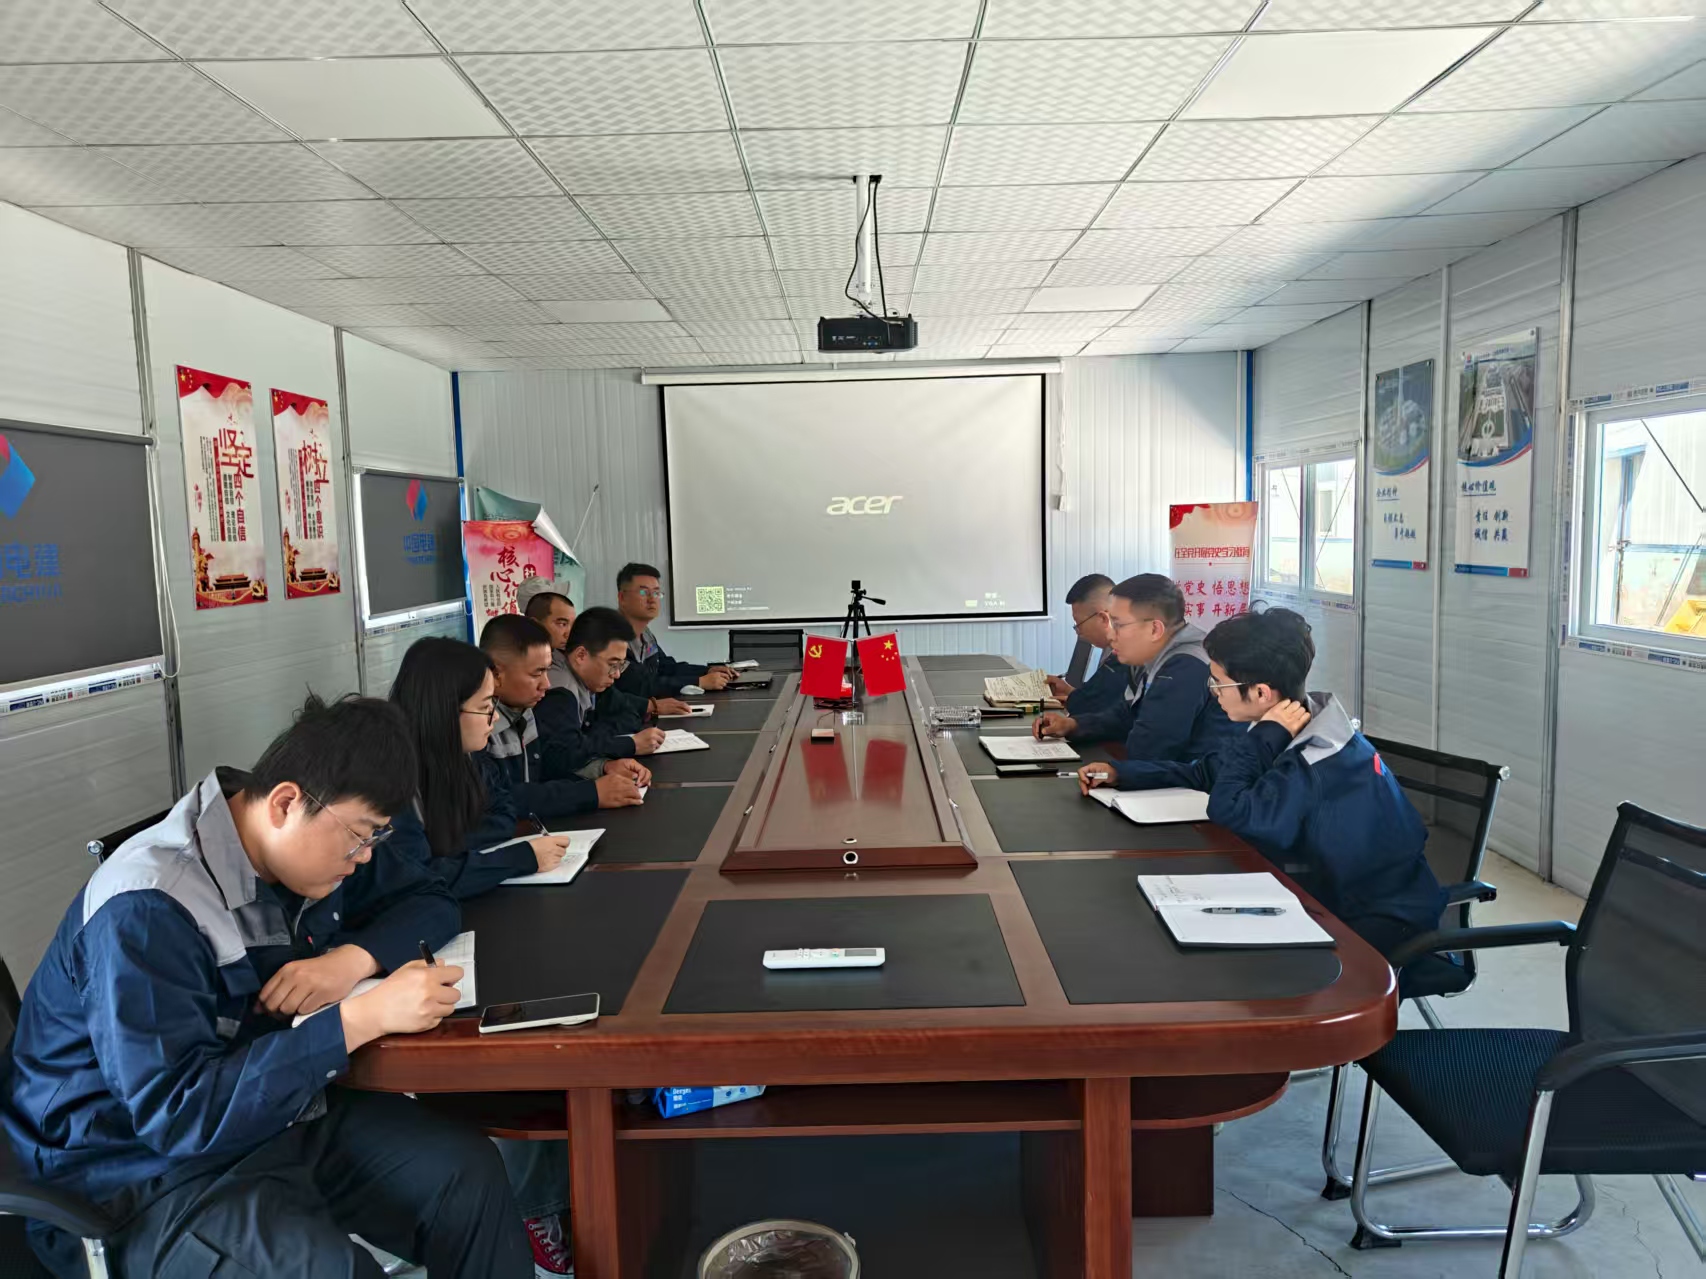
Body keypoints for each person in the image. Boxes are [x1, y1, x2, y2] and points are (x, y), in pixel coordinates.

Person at [0, 695, 531, 1279]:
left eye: (374, 840)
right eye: (360, 837)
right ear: (284, 803)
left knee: (466, 1176)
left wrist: (350, 961)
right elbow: (176, 1115)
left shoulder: (306, 844)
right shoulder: (148, 909)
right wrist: (356, 1021)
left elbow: (430, 897)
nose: (363, 859)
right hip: (136, 1175)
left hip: (268, 1114)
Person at [1079, 608, 1446, 960]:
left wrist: (1260, 740)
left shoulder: (1315, 756)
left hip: (1374, 922)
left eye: (1219, 683)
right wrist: (1123, 773)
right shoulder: (1294, 721)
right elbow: (1208, 772)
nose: (1213, 692)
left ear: (1260, 693)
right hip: (1318, 893)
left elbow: (1232, 812)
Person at [388, 636, 582, 899]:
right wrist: (518, 858)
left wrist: (455, 855)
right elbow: (417, 878)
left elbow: (504, 811)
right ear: (444, 711)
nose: (496, 716)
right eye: (485, 706)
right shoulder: (393, 780)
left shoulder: (467, 756)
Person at [1034, 573, 1234, 763]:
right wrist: (1073, 725)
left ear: (1154, 629)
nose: (1110, 635)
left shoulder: (1185, 667)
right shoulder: (1155, 654)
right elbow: (1127, 714)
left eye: (1118, 625)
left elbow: (1149, 751)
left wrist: (1113, 771)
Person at [479, 613, 651, 814]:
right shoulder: (475, 726)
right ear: (496, 674)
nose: (546, 684)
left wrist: (603, 767)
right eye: (537, 673)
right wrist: (591, 793)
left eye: (546, 671)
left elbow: (548, 768)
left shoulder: (524, 710)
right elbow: (496, 798)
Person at [536, 607, 680, 775]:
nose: (617, 674)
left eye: (621, 665)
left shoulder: (592, 679)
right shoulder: (559, 690)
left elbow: (628, 713)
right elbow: (563, 755)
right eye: (613, 664)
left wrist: (593, 742)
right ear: (581, 655)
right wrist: (629, 744)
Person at [613, 561, 735, 700]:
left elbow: (666, 667)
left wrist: (706, 671)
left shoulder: (645, 633)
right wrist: (698, 682)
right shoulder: (611, 638)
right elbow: (638, 685)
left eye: (656, 593)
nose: (652, 599)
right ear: (622, 598)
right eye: (643, 592)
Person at [1044, 572, 1129, 716]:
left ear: (1103, 618)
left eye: (1079, 624)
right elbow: (1103, 701)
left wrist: (1072, 724)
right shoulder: (1109, 649)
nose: (1078, 632)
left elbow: (1115, 715)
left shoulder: (1129, 656)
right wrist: (1069, 692)